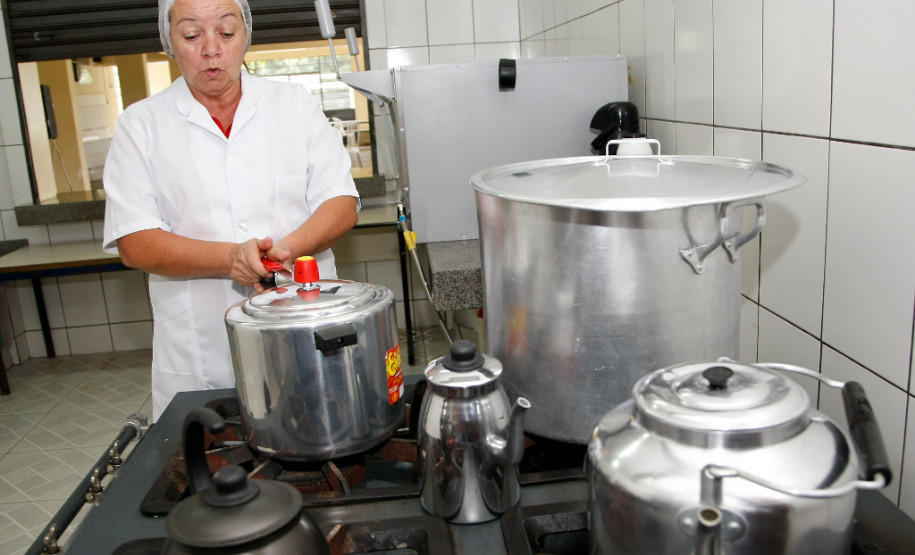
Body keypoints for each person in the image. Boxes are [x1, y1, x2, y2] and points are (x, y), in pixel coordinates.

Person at [102, 0, 359, 420]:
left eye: (225, 32)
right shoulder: (141, 125)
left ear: (246, 35)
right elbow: (135, 241)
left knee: (320, 447)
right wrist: (229, 259)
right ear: (170, 42)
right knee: (211, 468)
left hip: (302, 326)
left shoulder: (293, 105)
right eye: (191, 35)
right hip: (199, 353)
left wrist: (282, 252)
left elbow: (341, 203)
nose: (210, 49)